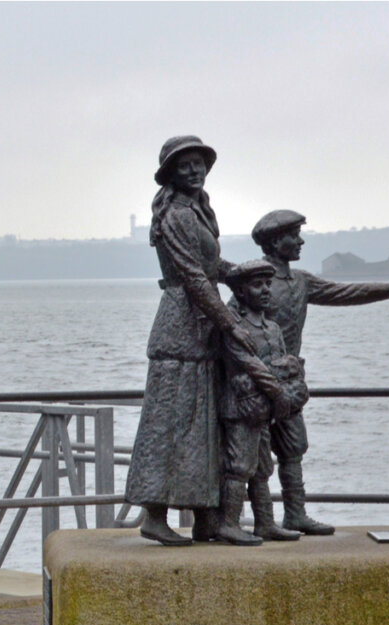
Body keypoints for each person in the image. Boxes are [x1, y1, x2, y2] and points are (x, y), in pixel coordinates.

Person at [125, 136, 287, 546]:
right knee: (171, 422)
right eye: (185, 165)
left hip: (201, 327)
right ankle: (154, 514)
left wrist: (247, 275)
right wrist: (230, 323)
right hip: (181, 327)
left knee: (202, 426)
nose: (194, 170)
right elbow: (195, 278)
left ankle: (207, 517)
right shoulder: (177, 215)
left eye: (199, 163)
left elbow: (212, 267)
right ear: (171, 174)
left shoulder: (197, 211)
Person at [253, 209, 389, 534]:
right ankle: (263, 521)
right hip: (254, 379)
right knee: (256, 453)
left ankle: (295, 515)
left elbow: (343, 292)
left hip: (289, 380)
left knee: (293, 448)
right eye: (294, 235)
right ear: (276, 242)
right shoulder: (255, 280)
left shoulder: (301, 281)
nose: (301, 241)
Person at [218, 260, 307, 542]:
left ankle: (265, 523)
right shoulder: (235, 328)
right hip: (241, 408)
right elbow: (248, 366)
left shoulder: (273, 327)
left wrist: (288, 383)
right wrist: (278, 391)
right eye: (258, 285)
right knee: (240, 467)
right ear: (240, 292)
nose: (266, 290)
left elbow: (281, 364)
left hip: (264, 410)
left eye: (268, 284)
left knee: (262, 469)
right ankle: (228, 523)